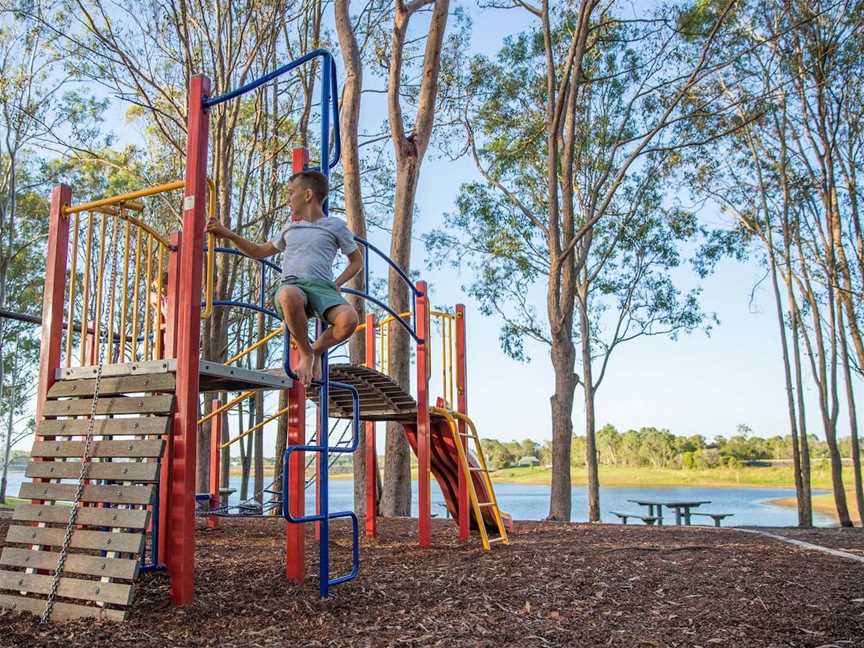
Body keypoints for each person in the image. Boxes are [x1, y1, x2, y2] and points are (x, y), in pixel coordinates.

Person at [206, 170, 363, 386]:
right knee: (289, 295)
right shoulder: (290, 228)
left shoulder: (335, 226)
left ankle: (315, 350)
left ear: (307, 195)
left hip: (323, 288)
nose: (288, 199)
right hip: (293, 286)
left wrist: (337, 283)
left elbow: (356, 261)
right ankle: (306, 354)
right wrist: (229, 234)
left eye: (291, 193)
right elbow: (259, 251)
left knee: (349, 320)